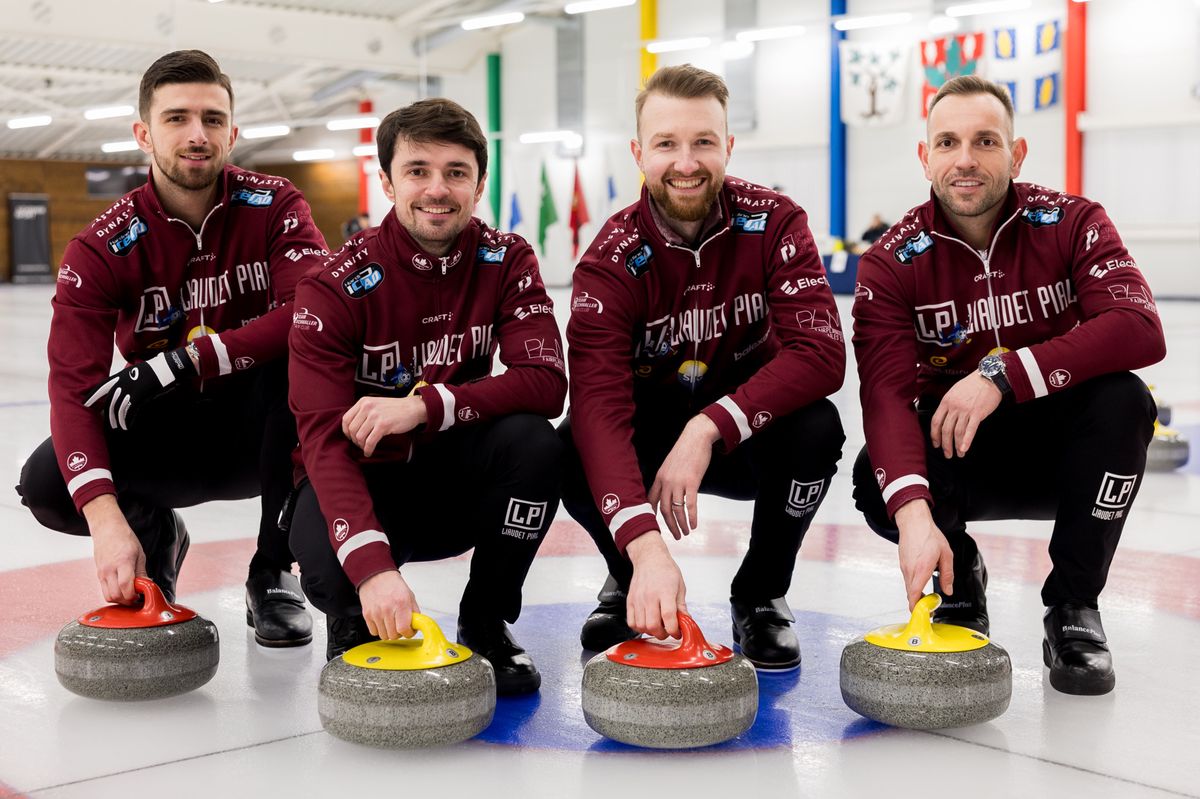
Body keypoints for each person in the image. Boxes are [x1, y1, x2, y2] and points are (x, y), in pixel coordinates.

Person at [851, 75, 1165, 696]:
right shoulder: (891, 260)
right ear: (926, 157)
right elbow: (885, 396)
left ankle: (1074, 608)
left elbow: (1140, 329)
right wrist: (914, 519)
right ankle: (958, 575)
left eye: (985, 141)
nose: (965, 159)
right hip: (964, 456)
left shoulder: (1073, 221)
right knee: (875, 479)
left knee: (1126, 400)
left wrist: (1001, 374)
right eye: (947, 142)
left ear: (1016, 154)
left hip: (1068, 456)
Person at [17, 50, 327, 647]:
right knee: (50, 484)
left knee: (301, 360)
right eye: (176, 118)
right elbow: (72, 388)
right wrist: (105, 519)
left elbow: (309, 316)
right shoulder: (101, 247)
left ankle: (271, 571)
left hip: (266, 431)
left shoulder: (277, 206)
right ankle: (155, 535)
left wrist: (188, 359)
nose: (196, 135)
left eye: (213, 119)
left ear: (232, 134)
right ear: (143, 134)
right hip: (169, 435)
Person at [560, 65, 846, 670]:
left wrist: (709, 425)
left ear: (728, 146)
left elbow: (822, 355)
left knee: (817, 428)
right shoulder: (609, 260)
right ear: (640, 153)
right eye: (666, 144)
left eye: (703, 142)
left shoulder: (775, 222)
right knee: (565, 449)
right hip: (645, 447)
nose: (685, 162)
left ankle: (762, 594)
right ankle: (627, 573)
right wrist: (644, 545)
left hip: (744, 435)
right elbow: (596, 410)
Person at [287, 98, 566, 695]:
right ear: (386, 181)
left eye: (456, 172)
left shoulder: (506, 258)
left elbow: (546, 382)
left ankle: (486, 619)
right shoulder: (334, 285)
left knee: (536, 445)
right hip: (360, 484)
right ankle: (353, 615)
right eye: (417, 170)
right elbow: (320, 443)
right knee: (338, 577)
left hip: (452, 478)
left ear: (479, 183)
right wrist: (371, 570)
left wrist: (427, 405)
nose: (437, 189)